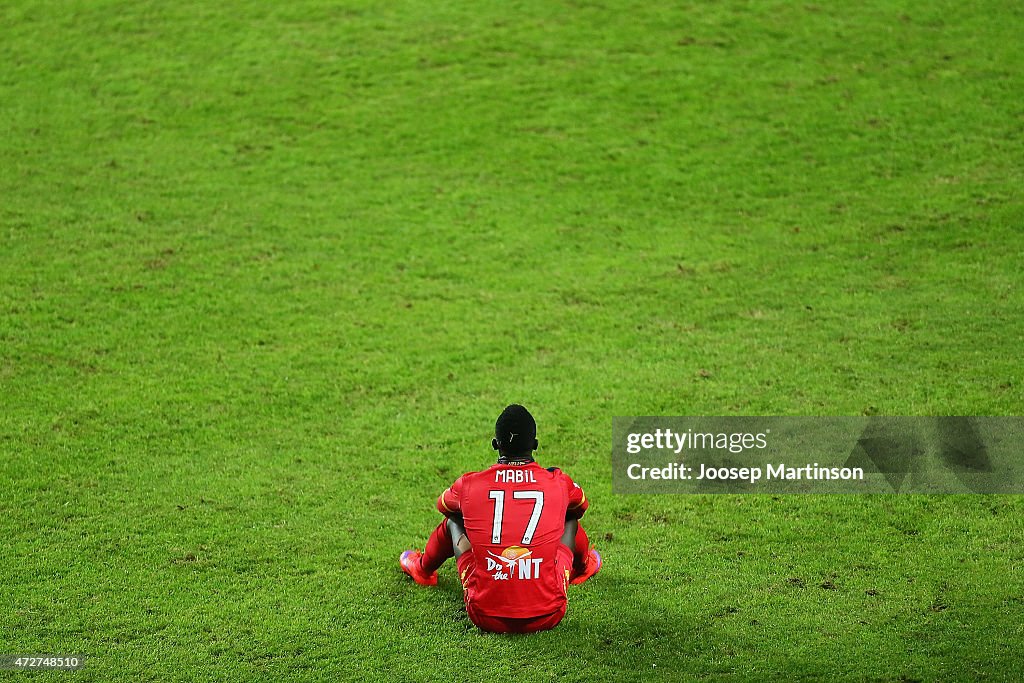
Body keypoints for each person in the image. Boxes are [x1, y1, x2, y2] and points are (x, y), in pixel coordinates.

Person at [399, 404, 601, 634]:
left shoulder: (470, 484)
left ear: (495, 444)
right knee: (570, 518)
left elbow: (443, 505)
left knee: (454, 520)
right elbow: (581, 505)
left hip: (484, 614)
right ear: (535, 445)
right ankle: (584, 567)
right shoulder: (557, 481)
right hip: (550, 612)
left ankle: (423, 569)